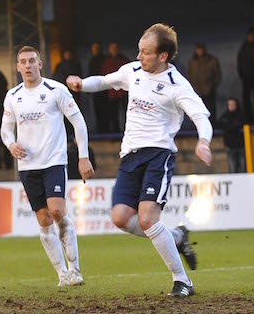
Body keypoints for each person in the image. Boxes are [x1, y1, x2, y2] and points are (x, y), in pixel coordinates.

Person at [67, 23, 207, 297]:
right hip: (130, 156)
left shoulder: (177, 85)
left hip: (158, 155)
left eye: (145, 52)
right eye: (139, 50)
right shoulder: (133, 71)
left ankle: (182, 281)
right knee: (120, 217)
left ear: (163, 56)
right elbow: (104, 81)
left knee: (147, 218)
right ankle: (177, 236)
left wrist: (204, 140)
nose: (139, 56)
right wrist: (82, 84)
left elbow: (200, 116)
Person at [3, 46, 93, 286]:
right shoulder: (13, 96)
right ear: (18, 67)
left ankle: (75, 269)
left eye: (32, 61)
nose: (28, 65)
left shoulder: (56, 90)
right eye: (23, 62)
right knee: (43, 219)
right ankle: (62, 274)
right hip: (27, 165)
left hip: (54, 161)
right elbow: (5, 129)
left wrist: (83, 156)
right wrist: (11, 144)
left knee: (57, 211)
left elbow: (78, 122)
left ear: (40, 64)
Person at [187, 42, 222, 124]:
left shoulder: (212, 60)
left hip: (209, 90)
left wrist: (213, 86)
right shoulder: (192, 61)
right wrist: (192, 87)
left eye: (201, 49)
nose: (200, 51)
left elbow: (217, 74)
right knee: (198, 111)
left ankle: (212, 126)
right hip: (196, 90)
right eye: (198, 49)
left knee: (210, 109)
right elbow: (190, 75)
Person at [236, 27, 254, 121]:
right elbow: (239, 62)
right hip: (246, 78)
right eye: (249, 35)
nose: (251, 37)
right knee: (246, 99)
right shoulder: (244, 47)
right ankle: (248, 118)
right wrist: (242, 74)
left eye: (252, 35)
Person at [219, 98, 246, 173]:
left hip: (241, 145)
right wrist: (233, 127)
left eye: (233, 104)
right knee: (233, 169)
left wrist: (231, 127)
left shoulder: (241, 115)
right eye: (229, 104)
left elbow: (243, 124)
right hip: (230, 146)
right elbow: (220, 126)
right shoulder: (224, 116)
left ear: (236, 105)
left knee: (243, 169)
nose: (231, 106)